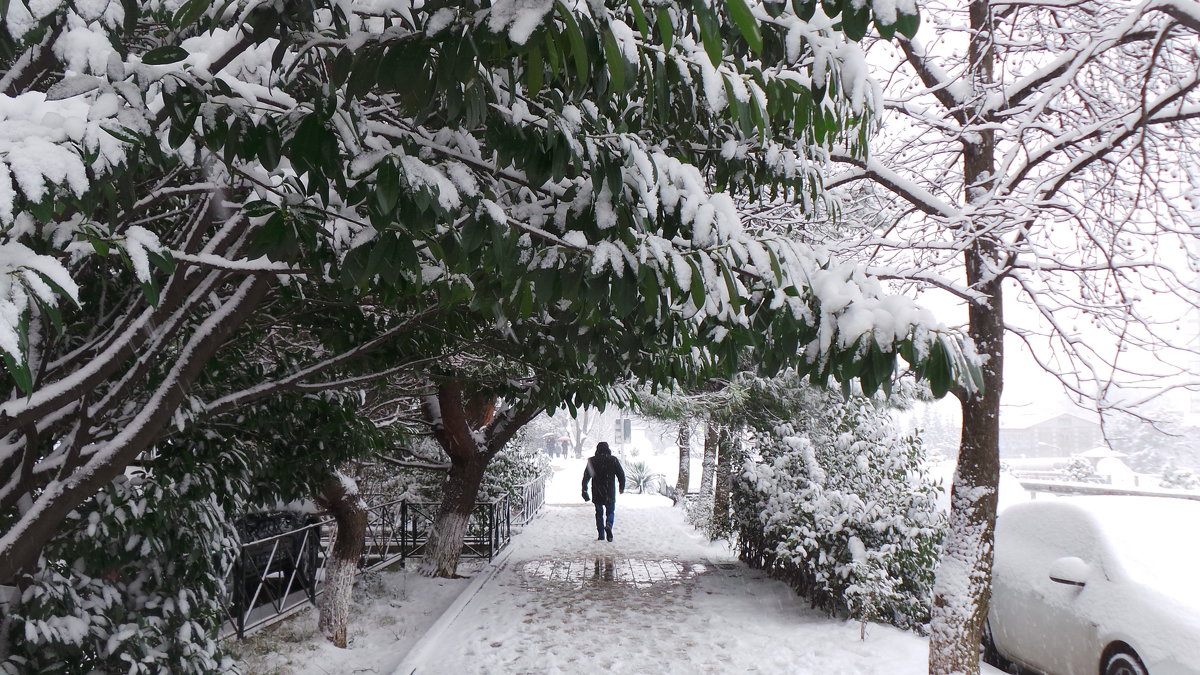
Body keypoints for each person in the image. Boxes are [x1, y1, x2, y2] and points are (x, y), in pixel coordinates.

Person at [581, 442, 625, 541]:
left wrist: (584, 490)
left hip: (597, 491)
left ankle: (601, 534)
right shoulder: (613, 460)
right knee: (610, 511)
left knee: (599, 513)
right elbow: (621, 474)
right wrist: (621, 487)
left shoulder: (592, 461)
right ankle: (609, 525)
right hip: (609, 491)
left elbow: (586, 477)